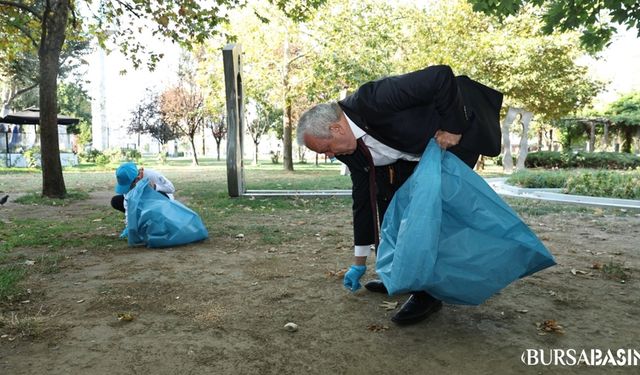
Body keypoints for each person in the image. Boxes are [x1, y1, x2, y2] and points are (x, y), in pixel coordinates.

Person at [297, 65, 503, 325]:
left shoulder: (374, 98)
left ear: (336, 129)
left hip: (458, 129)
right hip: (414, 152)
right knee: (392, 205)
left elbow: (441, 76)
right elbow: (364, 200)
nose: (328, 156)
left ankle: (427, 294)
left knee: (430, 213)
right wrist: (359, 261)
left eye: (325, 149)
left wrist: (453, 127)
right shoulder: (349, 150)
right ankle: (400, 274)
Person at [111, 162, 176, 237]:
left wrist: (155, 187)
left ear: (137, 178)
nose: (129, 188)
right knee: (116, 201)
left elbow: (171, 188)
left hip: (162, 201)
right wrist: (129, 227)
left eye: (130, 185)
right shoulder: (129, 185)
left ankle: (160, 222)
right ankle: (141, 221)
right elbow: (127, 205)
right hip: (142, 203)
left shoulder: (151, 174)